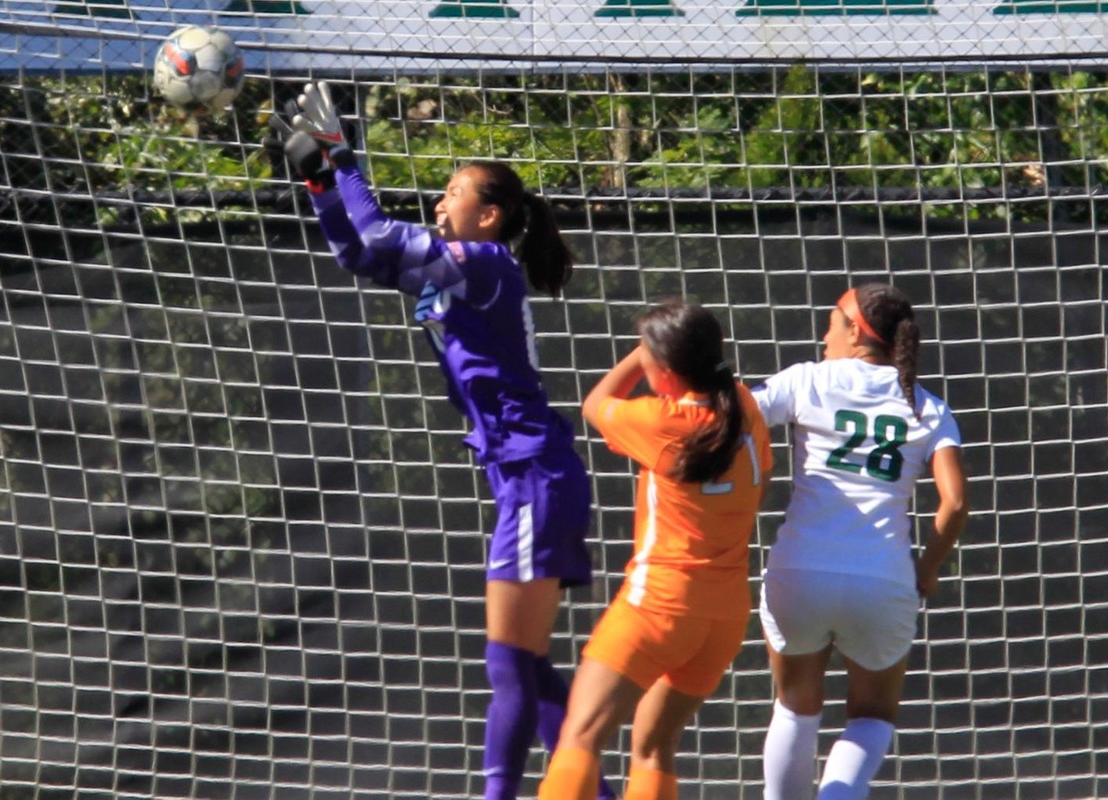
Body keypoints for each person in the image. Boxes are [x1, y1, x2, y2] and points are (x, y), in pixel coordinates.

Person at [273, 82, 616, 800]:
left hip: (534, 475)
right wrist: (320, 182)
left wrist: (346, 163)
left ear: (488, 216)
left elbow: (376, 236)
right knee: (523, 663)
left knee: (506, 664)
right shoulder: (457, 274)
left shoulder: (484, 266)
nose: (438, 202)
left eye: (452, 193)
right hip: (526, 477)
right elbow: (359, 256)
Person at [537, 300, 771, 800]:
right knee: (654, 746)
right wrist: (661, 350)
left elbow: (595, 402)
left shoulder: (662, 421)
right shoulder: (745, 407)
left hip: (660, 604)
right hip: (723, 616)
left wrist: (640, 353)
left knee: (579, 738)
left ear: (663, 370)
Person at [752, 284, 968, 800]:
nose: (824, 332)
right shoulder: (927, 405)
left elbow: (732, 417)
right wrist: (928, 568)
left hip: (799, 571)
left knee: (795, 707)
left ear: (855, 331)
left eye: (831, 319)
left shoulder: (807, 381)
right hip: (883, 579)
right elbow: (955, 502)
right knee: (871, 717)